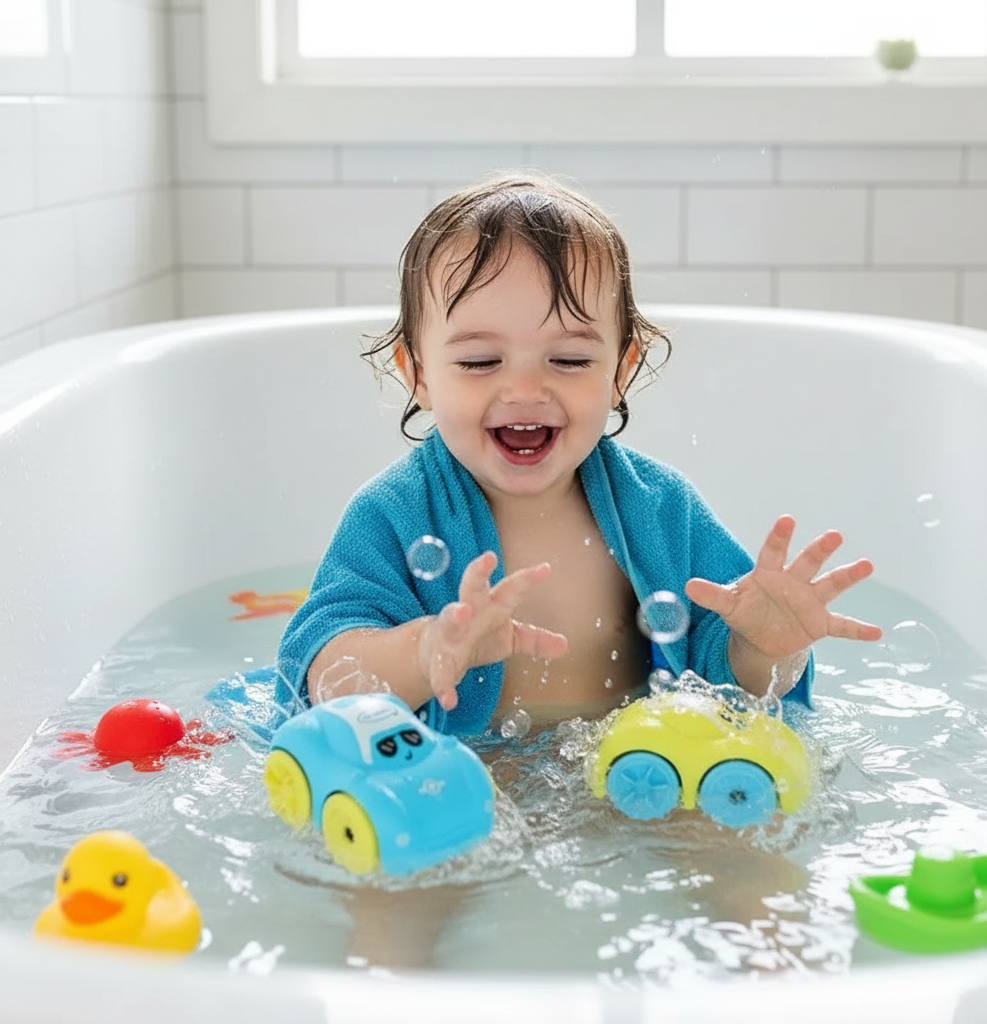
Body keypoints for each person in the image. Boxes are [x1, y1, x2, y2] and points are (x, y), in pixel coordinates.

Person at [277, 174, 882, 736]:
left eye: (568, 360)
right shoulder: (393, 515)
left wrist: (766, 648)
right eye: (479, 362)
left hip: (630, 774)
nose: (525, 390)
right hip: (467, 783)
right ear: (418, 375)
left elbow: (731, 687)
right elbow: (322, 674)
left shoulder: (661, 507)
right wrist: (425, 650)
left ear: (623, 369)